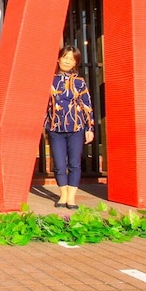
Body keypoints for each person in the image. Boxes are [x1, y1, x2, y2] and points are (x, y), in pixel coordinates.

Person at [45, 45, 94, 209]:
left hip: (76, 128)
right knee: (59, 164)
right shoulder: (49, 80)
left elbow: (87, 104)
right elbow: (43, 105)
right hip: (55, 128)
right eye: (65, 57)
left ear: (75, 63)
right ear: (58, 59)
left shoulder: (79, 82)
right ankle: (63, 195)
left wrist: (90, 128)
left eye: (71, 59)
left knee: (74, 164)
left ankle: (71, 198)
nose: (67, 61)